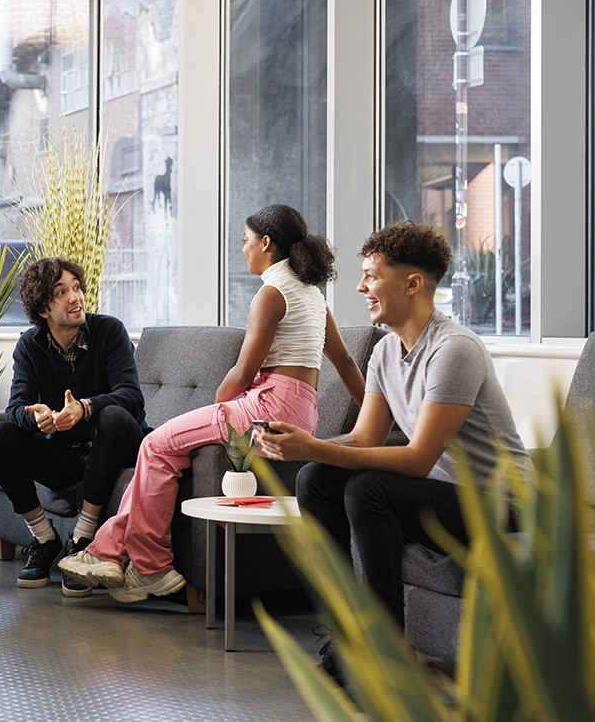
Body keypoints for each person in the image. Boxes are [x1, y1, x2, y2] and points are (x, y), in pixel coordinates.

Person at [255, 221, 529, 678]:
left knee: (369, 489)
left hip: (501, 504)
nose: (361, 286)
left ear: (413, 283)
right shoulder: (385, 353)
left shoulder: (454, 349)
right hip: (440, 497)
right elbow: (364, 439)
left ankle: (387, 654)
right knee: (315, 479)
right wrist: (304, 447)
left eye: (371, 276)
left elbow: (419, 458)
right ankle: (347, 635)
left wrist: (315, 448)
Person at [60, 204, 366, 602]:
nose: (244, 250)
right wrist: (375, 411)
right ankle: (109, 553)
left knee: (155, 442)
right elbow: (343, 362)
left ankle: (151, 567)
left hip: (267, 407)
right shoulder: (312, 296)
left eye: (246, 240)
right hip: (300, 410)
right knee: (165, 453)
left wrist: (212, 408)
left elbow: (242, 372)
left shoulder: (272, 294)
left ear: (266, 243)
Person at [0, 257, 150, 597]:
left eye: (77, 288)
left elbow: (131, 396)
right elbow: (16, 407)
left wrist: (85, 408)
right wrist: (37, 418)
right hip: (65, 456)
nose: (76, 298)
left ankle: (83, 541)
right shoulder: (30, 345)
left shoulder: (109, 331)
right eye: (62, 292)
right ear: (43, 308)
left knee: (113, 414)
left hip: (116, 447)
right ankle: (44, 540)